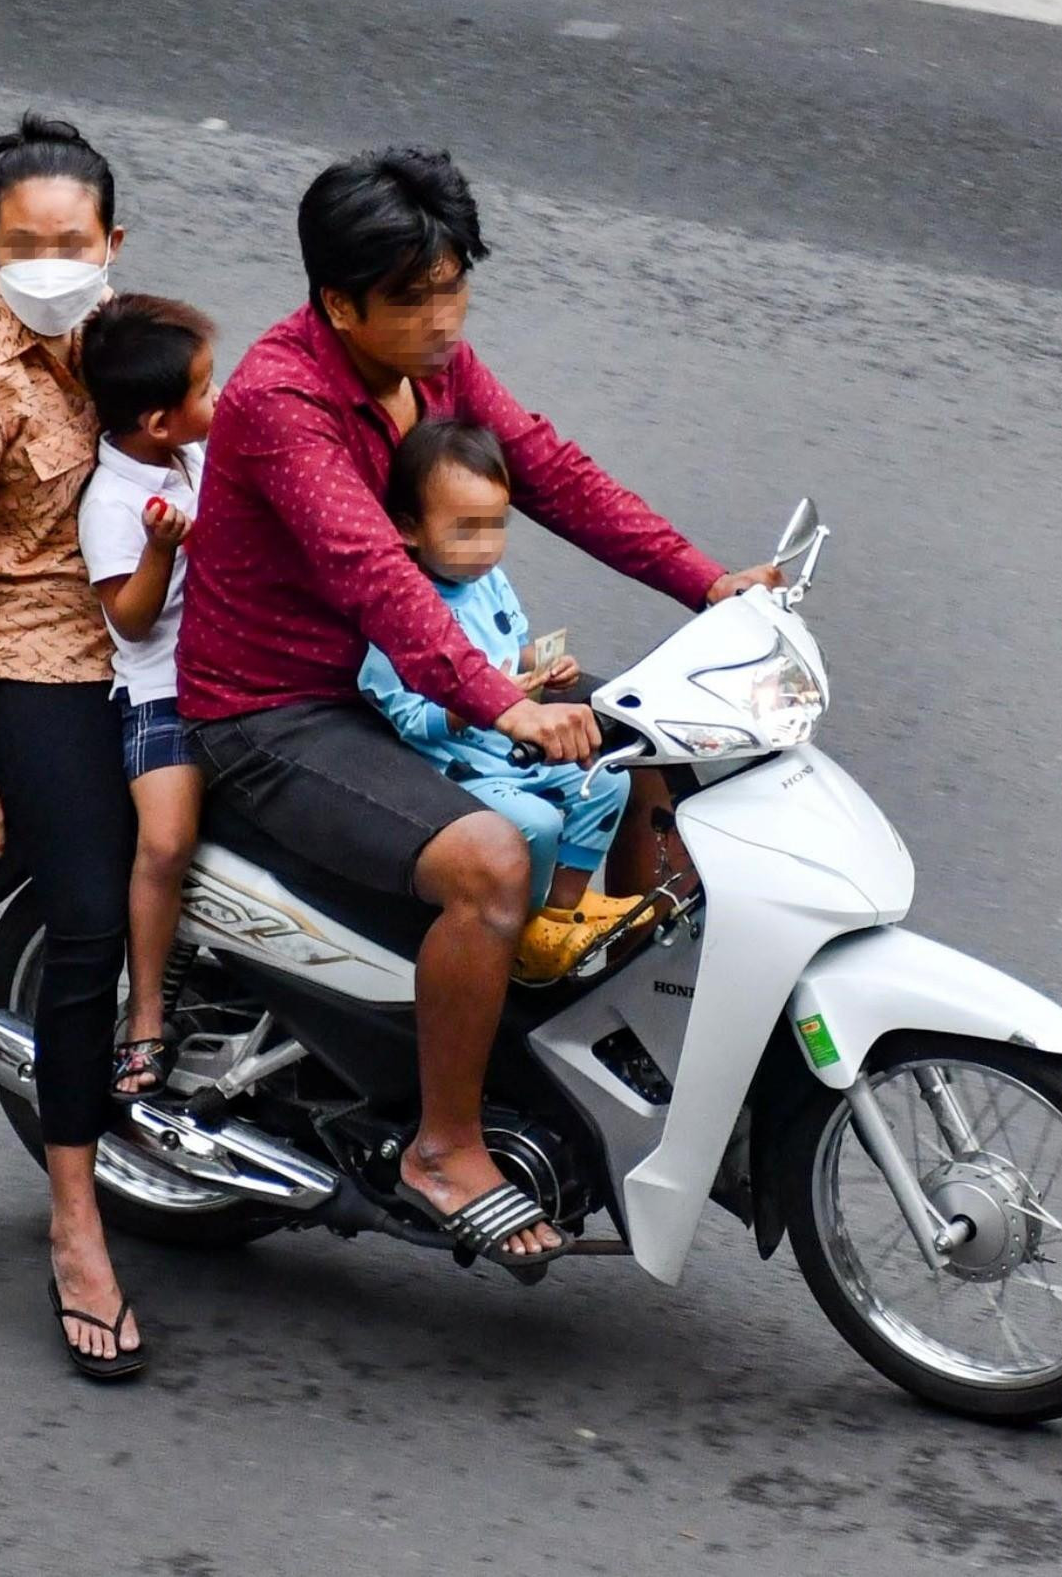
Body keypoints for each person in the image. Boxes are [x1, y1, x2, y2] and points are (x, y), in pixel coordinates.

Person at [176, 147, 780, 1277]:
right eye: (417, 299)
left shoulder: (431, 370)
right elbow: (377, 578)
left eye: (456, 287)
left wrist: (706, 581)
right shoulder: (281, 404)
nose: (447, 318)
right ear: (339, 304)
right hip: (281, 712)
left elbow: (547, 470)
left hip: (404, 682)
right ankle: (445, 1146)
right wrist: (503, 702)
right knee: (491, 862)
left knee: (678, 737)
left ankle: (581, 1003)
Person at [0, 112, 147, 1379]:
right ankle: (77, 1224)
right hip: (39, 658)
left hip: (152, 623)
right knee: (91, 918)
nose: (46, 261)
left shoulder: (129, 336)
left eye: (70, 241)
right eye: (20, 244)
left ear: (113, 242)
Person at [357, 420, 643, 982]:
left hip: (515, 748)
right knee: (532, 824)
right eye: (467, 531)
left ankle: (560, 912)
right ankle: (515, 927)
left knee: (608, 780)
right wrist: (474, 704)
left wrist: (545, 666)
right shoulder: (397, 610)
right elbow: (408, 719)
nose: (486, 546)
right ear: (410, 529)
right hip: (458, 769)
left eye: (497, 526)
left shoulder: (489, 582)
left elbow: (512, 654)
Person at [76, 293, 218, 1093]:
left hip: (230, 672)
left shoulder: (188, 453)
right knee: (165, 842)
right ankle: (149, 1010)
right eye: (204, 390)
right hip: (162, 693)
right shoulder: (115, 504)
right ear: (159, 420)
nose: (216, 398)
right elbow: (129, 622)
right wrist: (163, 550)